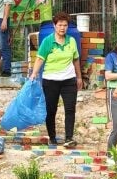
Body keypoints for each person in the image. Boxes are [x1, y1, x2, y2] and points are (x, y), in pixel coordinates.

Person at [29, 11, 83, 147]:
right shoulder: (48, 41)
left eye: (65, 25)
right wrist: (34, 73)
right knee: (51, 109)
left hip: (69, 80)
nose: (62, 28)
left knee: (70, 109)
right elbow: (40, 59)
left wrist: (79, 77)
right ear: (54, 25)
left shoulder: (71, 41)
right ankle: (52, 137)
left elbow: (76, 59)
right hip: (50, 80)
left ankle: (69, 137)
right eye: (60, 25)